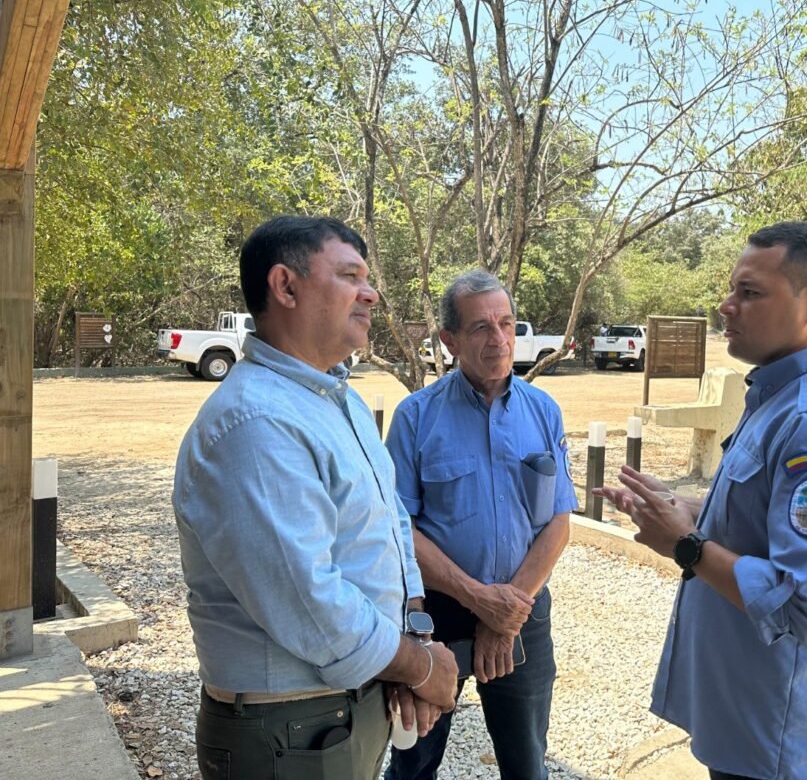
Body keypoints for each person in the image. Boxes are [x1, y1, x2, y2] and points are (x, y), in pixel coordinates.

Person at [594, 222, 807, 780]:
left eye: (750, 293)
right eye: (731, 289)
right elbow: (766, 514)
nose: (726, 306)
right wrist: (692, 511)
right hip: (752, 729)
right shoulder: (782, 397)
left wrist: (686, 546)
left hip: (779, 746)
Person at [173, 215, 457, 780]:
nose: (371, 293)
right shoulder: (255, 422)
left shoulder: (335, 399)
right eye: (350, 275)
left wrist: (412, 639)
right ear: (286, 286)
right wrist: (420, 666)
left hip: (336, 708)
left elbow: (391, 526)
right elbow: (309, 599)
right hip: (290, 729)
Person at [384, 270, 578, 780]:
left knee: (526, 762)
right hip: (435, 616)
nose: (499, 339)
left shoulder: (543, 411)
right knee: (413, 761)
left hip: (523, 612)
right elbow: (399, 529)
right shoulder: (415, 417)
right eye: (480, 328)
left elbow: (559, 519)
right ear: (449, 340)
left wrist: (504, 612)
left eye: (506, 323)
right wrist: (476, 599)